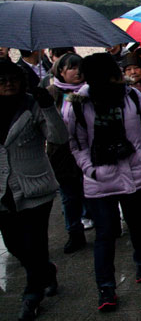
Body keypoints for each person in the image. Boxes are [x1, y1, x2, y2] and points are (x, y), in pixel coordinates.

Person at [64, 53, 141, 312]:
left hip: (135, 172)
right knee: (105, 233)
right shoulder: (78, 104)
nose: (119, 76)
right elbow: (76, 144)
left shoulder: (132, 96)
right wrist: (90, 170)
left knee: (136, 222)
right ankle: (106, 288)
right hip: (100, 179)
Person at [0, 61, 69, 321]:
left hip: (34, 187)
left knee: (34, 242)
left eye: (13, 78)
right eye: (2, 80)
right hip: (3, 191)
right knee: (13, 244)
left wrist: (48, 107)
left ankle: (32, 294)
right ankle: (46, 271)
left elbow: (59, 137)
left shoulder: (32, 104)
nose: (8, 83)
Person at [46, 53, 88, 253]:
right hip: (62, 153)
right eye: (71, 67)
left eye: (80, 67)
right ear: (60, 72)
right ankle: (74, 232)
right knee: (69, 196)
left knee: (92, 191)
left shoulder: (88, 90)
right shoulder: (51, 93)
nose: (77, 72)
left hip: (87, 149)